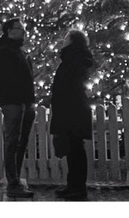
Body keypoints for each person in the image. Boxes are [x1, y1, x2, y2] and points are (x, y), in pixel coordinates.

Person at [49, 29, 94, 201]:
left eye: (66, 37)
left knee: (75, 149)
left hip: (71, 109)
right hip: (72, 109)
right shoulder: (75, 58)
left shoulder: (72, 59)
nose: (63, 40)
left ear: (73, 41)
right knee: (73, 148)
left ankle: (77, 187)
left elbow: (68, 86)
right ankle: (73, 185)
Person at [0, 18, 36, 199]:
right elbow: (10, 79)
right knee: (13, 142)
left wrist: (29, 102)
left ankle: (16, 179)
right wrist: (21, 101)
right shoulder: (5, 51)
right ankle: (13, 182)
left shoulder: (20, 51)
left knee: (21, 142)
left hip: (24, 103)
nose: (24, 32)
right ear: (10, 31)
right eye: (20, 29)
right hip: (14, 103)